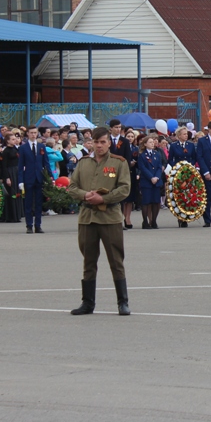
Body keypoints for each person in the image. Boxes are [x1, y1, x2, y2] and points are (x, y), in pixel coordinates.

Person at [66, 126, 133, 316]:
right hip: (87, 218)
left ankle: (123, 302)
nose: (99, 145)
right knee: (88, 261)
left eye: (103, 142)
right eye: (96, 142)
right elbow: (72, 187)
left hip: (109, 217)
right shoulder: (84, 163)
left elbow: (124, 188)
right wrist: (85, 195)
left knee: (116, 260)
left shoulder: (119, 163)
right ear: (91, 143)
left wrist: (103, 199)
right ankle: (87, 302)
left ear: (109, 143)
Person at [19, 125, 49, 234]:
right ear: (27, 134)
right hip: (28, 177)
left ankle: (38, 225)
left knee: (38, 203)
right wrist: (21, 180)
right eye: (31, 132)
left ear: (37, 134)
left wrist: (49, 177)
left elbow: (45, 162)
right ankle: (29, 225)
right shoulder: (23, 148)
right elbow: (21, 165)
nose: (33, 135)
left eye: (35, 133)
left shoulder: (41, 146)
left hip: (39, 177)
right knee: (28, 203)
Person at [168, 126, 198, 228]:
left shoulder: (191, 145)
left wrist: (189, 166)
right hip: (178, 173)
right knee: (179, 194)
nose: (186, 136)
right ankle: (180, 217)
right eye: (184, 134)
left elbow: (194, 157)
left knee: (188, 194)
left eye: (187, 134)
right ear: (179, 135)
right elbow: (170, 159)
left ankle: (186, 215)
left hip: (188, 173)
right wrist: (177, 167)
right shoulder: (173, 146)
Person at [137, 134, 166, 229]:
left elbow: (159, 166)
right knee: (146, 202)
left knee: (156, 202)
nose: (152, 143)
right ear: (145, 144)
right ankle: (145, 221)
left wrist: (157, 177)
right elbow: (143, 168)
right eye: (150, 142)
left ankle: (154, 221)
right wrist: (151, 177)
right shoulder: (142, 155)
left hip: (156, 181)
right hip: (147, 181)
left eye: (153, 142)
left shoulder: (156, 154)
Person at [1, 131, 24, 224]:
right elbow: (4, 165)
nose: (15, 141)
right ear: (7, 141)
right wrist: (7, 177)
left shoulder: (15, 149)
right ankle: (11, 216)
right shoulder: (6, 151)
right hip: (10, 172)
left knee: (18, 192)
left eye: (15, 139)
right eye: (13, 139)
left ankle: (17, 214)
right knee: (12, 193)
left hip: (17, 171)